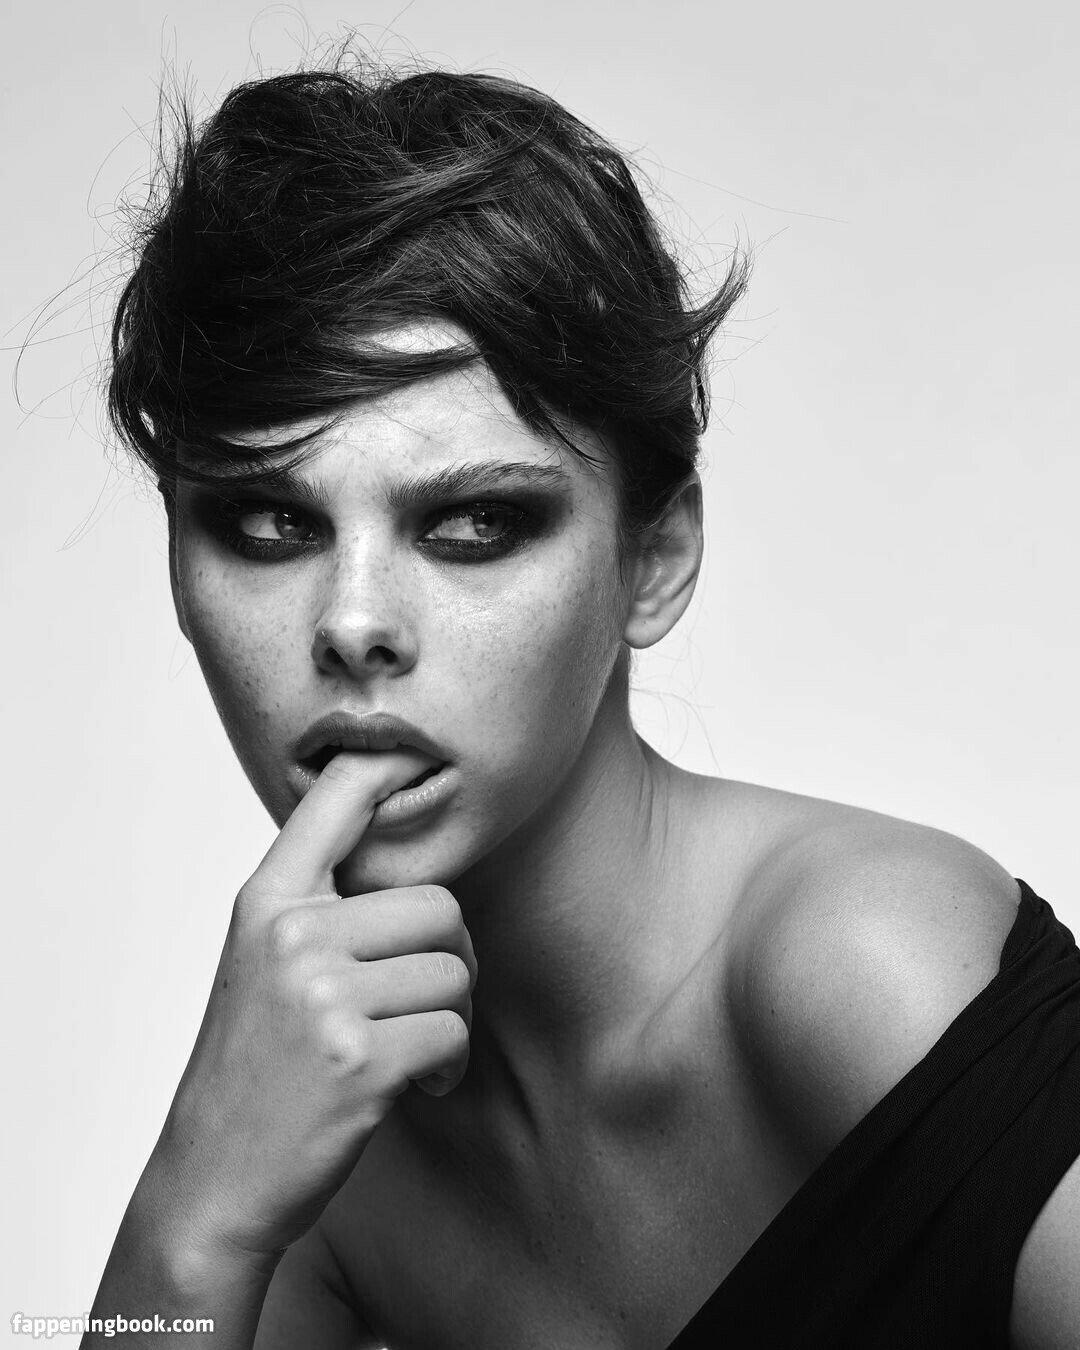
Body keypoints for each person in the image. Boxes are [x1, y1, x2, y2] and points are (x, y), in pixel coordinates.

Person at [84, 56, 1080, 1350]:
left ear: (651, 560)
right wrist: (193, 1213)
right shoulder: (312, 1160)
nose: (353, 622)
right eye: (269, 522)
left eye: (474, 522)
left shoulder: (867, 963)